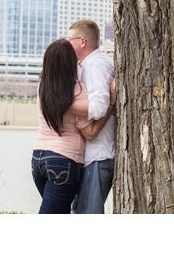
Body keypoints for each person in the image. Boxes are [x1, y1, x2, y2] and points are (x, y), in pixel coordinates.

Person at [32, 39, 114, 214]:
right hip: (63, 161)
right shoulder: (76, 90)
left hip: (38, 160)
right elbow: (90, 132)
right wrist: (111, 103)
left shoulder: (42, 87)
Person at [66, 19, 116, 214]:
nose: (67, 43)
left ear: (82, 41)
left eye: (70, 39)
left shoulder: (95, 65)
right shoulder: (89, 64)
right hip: (92, 156)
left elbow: (99, 107)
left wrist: (64, 105)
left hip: (98, 155)